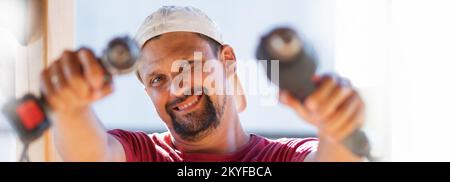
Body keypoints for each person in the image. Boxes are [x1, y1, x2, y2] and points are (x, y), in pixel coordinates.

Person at [41, 6, 365, 162]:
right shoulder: (140, 153)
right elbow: (89, 153)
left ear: (227, 60)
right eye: (158, 79)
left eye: (191, 66)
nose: (177, 88)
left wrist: (337, 128)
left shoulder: (284, 157)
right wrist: (69, 106)